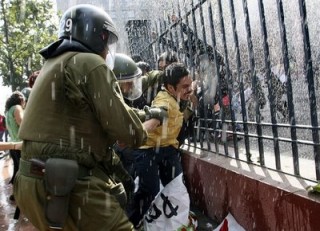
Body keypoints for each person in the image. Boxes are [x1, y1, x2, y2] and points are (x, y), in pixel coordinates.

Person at [14, 4, 148, 231]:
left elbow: (83, 117)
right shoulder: (90, 63)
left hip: (32, 181)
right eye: (107, 43)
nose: (107, 51)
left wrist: (141, 115)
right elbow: (130, 132)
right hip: (69, 183)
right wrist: (143, 126)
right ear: (100, 36)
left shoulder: (52, 65)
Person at [128, 62, 193, 228]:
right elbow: (154, 120)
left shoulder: (180, 96)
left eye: (190, 85)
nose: (190, 89)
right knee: (149, 189)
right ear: (170, 88)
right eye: (185, 86)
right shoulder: (164, 101)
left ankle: (177, 224)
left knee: (176, 189)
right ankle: (131, 223)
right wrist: (132, 136)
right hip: (147, 150)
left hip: (169, 149)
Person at [4, 91, 26, 201]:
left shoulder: (8, 112)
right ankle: (21, 194)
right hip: (20, 145)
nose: (25, 103)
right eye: (24, 100)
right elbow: (22, 124)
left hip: (13, 145)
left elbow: (9, 129)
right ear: (20, 100)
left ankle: (15, 193)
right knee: (23, 171)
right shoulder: (17, 107)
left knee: (17, 169)